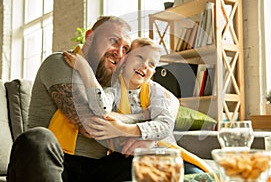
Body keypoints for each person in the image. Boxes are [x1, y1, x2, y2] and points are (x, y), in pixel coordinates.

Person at [7, 16, 164, 182]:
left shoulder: (117, 83)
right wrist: (142, 119)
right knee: (37, 138)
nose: (118, 52)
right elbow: (90, 126)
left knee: (155, 157)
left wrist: (147, 138)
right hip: (53, 162)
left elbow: (168, 105)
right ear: (90, 37)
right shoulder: (61, 62)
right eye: (113, 41)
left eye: (125, 49)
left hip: (95, 169)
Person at [62, 37, 212, 174]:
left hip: (163, 152)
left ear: (153, 72)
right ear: (125, 60)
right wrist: (85, 71)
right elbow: (101, 110)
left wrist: (124, 129)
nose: (145, 65)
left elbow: (165, 125)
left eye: (152, 64)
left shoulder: (155, 91)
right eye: (140, 57)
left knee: (197, 175)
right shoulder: (113, 88)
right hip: (126, 157)